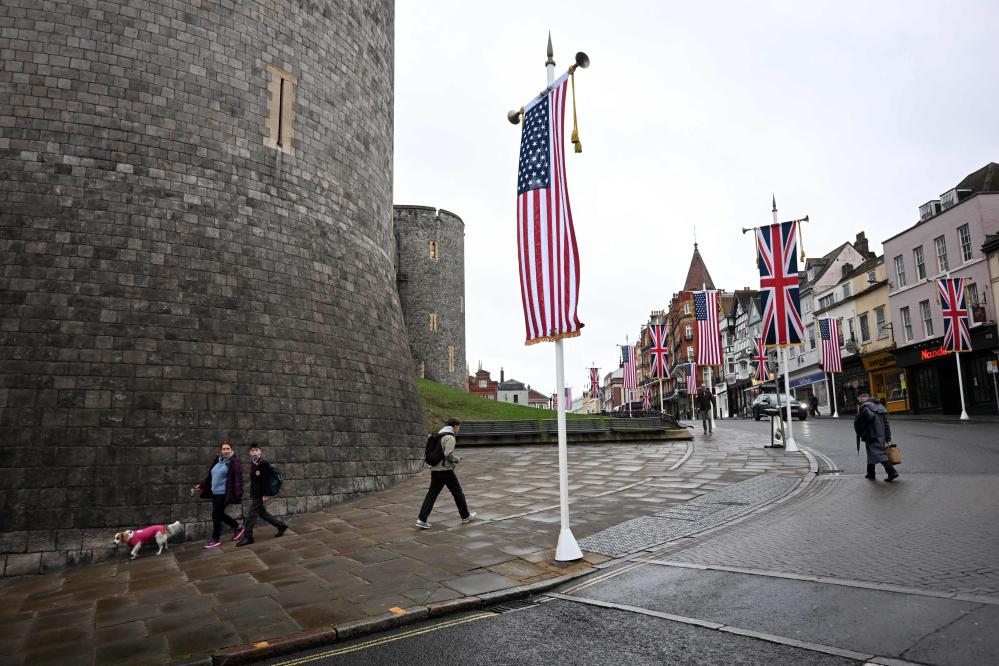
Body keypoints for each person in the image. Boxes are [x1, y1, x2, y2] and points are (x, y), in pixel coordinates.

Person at [416, 417, 476, 529]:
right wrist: (456, 460)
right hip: (445, 470)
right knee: (458, 493)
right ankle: (465, 516)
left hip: (435, 469)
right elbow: (448, 454)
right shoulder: (450, 437)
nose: (459, 429)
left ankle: (421, 519)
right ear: (455, 426)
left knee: (432, 494)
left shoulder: (439, 434)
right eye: (459, 427)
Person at [194, 440, 244, 548]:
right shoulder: (218, 460)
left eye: (228, 449)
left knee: (216, 515)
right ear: (221, 450)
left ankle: (215, 539)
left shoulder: (234, 462)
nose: (226, 451)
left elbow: (238, 478)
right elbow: (211, 476)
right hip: (215, 493)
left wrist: (238, 492)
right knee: (219, 514)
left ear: (231, 449)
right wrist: (202, 485)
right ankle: (238, 527)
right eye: (224, 449)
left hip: (224, 493)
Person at [237, 444, 288, 546]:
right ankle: (281, 525)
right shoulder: (253, 463)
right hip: (256, 493)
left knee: (251, 514)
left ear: (260, 451)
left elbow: (266, 480)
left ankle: (248, 537)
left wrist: (265, 494)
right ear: (250, 453)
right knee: (262, 513)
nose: (254, 452)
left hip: (261, 494)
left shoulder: (263, 463)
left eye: (256, 450)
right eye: (252, 451)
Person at [854, 393, 898, 482]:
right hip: (881, 434)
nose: (859, 401)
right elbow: (886, 424)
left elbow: (863, 420)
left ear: (864, 398)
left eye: (859, 399)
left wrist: (861, 430)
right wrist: (888, 437)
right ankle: (871, 473)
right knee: (871, 452)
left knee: (879, 453)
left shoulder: (866, 407)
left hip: (872, 434)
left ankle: (892, 472)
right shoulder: (880, 406)